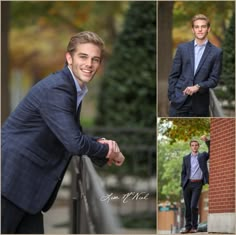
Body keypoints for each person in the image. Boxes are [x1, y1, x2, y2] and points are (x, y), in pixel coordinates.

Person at [1, 31, 125, 234]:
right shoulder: (58, 89)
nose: (89, 64)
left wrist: (101, 145)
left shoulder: (71, 87)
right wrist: (107, 152)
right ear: (69, 58)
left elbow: (69, 132)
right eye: (83, 57)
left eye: (95, 59)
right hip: (10, 183)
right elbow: (74, 142)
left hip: (25, 188)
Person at [168, 14, 223, 117]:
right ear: (193, 30)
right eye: (197, 27)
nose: (200, 29)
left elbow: (214, 80)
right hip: (179, 102)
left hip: (200, 105)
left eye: (203, 26)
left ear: (208, 29)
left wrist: (198, 86)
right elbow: (173, 75)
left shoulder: (216, 52)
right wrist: (172, 97)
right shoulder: (182, 49)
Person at [180, 135, 210, 233]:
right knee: (187, 206)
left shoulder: (203, 156)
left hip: (197, 184)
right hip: (187, 184)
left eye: (196, 145)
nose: (194, 147)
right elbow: (183, 172)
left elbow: (211, 151)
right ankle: (187, 227)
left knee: (193, 206)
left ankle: (194, 227)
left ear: (198, 147)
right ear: (190, 147)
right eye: (192, 145)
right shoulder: (186, 158)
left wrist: (207, 141)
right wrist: (183, 183)